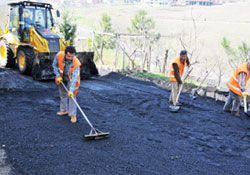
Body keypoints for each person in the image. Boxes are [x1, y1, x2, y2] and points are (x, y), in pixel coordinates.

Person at [52, 46, 81, 123]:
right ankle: (64, 110)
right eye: (68, 56)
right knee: (62, 94)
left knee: (72, 96)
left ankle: (73, 114)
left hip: (71, 78)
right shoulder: (59, 55)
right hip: (61, 76)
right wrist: (58, 76)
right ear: (65, 54)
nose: (70, 58)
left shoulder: (76, 63)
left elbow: (74, 78)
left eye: (72, 56)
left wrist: (71, 90)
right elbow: (54, 65)